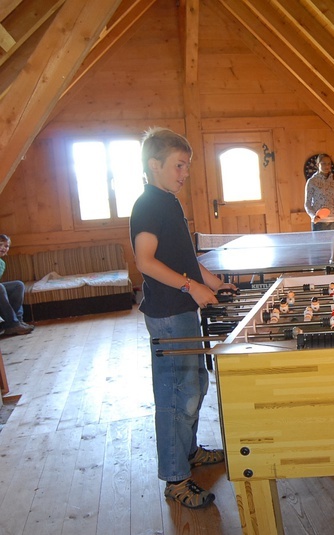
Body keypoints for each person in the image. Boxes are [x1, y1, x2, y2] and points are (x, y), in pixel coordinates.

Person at [129, 127, 237, 509]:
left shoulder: (169, 202)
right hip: (169, 314)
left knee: (194, 385)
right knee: (177, 396)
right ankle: (175, 479)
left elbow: (185, 259)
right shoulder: (148, 204)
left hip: (183, 310)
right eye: (179, 165)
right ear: (154, 165)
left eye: (187, 166)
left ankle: (189, 452)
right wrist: (192, 288)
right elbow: (145, 262)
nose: (185, 173)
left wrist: (215, 283)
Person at [0, 234, 34, 336]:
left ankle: (17, 321)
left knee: (18, 285)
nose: (3, 248)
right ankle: (13, 324)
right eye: (0, 245)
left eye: (6, 246)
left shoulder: (1, 263)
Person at [304, 153, 334, 230]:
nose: (327, 166)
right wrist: (313, 216)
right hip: (319, 222)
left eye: (329, 164)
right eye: (323, 163)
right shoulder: (312, 182)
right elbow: (307, 204)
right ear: (317, 165)